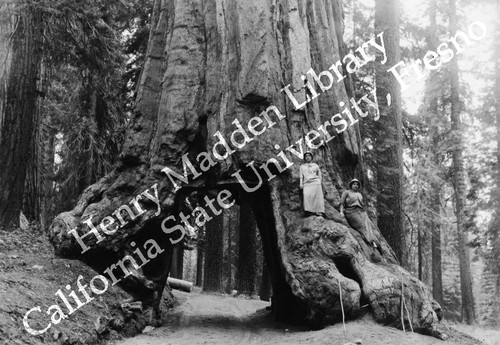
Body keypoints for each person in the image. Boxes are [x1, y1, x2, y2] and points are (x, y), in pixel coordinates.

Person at [340, 179, 379, 249]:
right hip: (351, 211)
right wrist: (341, 212)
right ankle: (370, 242)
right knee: (361, 225)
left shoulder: (359, 194)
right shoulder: (346, 192)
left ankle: (373, 241)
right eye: (354, 184)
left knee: (368, 226)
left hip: (361, 211)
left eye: (357, 184)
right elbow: (342, 203)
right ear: (351, 185)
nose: (355, 185)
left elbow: (362, 204)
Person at [299, 151, 325, 217]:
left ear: (311, 157)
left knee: (318, 197)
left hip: (316, 182)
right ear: (304, 158)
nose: (308, 157)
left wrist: (320, 182)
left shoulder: (315, 165)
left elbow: (319, 174)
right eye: (306, 156)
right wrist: (301, 183)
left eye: (309, 156)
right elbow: (301, 176)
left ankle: (319, 211)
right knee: (307, 195)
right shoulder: (302, 166)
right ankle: (309, 211)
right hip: (307, 183)